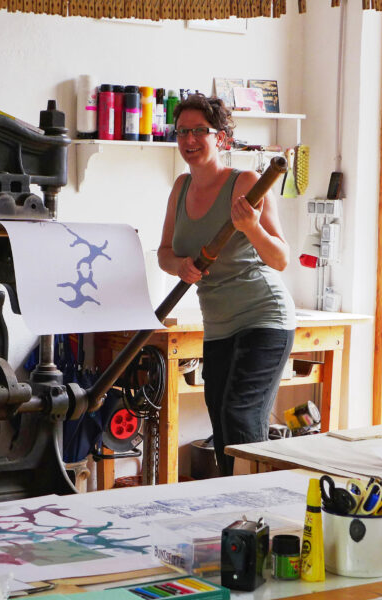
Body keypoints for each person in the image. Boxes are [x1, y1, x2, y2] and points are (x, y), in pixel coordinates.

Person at [157, 94, 296, 477]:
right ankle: (234, 511)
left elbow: (281, 258)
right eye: (182, 131)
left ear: (220, 138)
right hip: (218, 326)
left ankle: (261, 510)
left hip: (263, 317)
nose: (189, 139)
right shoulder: (181, 188)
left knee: (240, 416)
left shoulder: (246, 183)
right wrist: (181, 265)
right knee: (221, 422)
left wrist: (251, 226)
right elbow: (164, 253)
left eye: (199, 130)